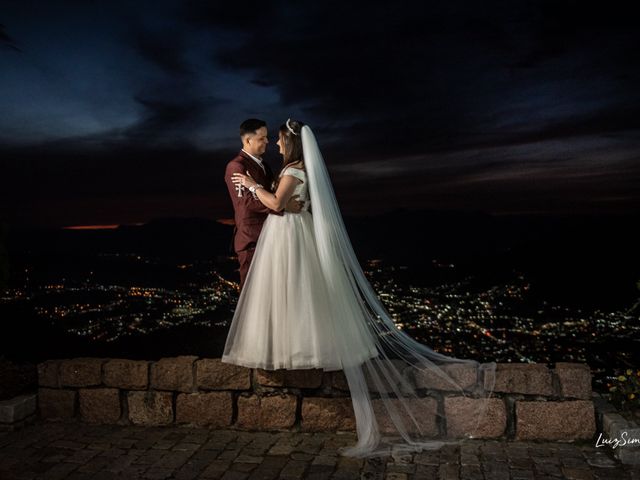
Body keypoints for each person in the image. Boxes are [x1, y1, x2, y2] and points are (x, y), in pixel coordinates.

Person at [222, 119, 497, 458]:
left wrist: (253, 186)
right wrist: (276, 198)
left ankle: (292, 351)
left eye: (276, 140)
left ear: (290, 144)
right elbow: (279, 204)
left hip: (287, 236)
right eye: (266, 140)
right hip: (281, 235)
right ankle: (287, 347)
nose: (274, 145)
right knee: (293, 293)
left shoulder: (292, 169)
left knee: (296, 291)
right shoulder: (279, 167)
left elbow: (278, 204)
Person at [224, 119, 302, 289]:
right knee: (251, 294)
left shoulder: (264, 165)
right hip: (251, 238)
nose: (267, 141)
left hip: (271, 235)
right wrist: (282, 206)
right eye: (262, 138)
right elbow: (245, 202)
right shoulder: (236, 166)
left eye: (267, 137)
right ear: (247, 140)